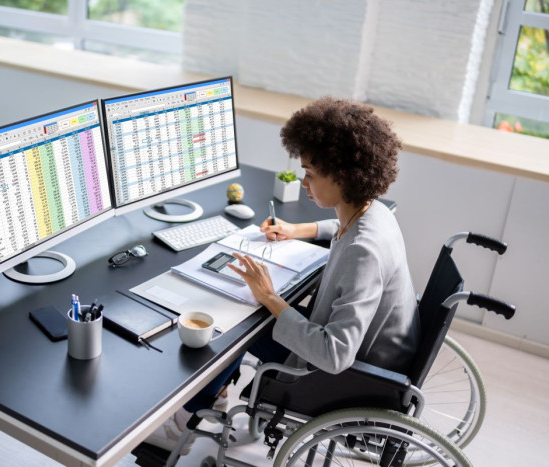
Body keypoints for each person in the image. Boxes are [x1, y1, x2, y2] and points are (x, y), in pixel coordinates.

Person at [146, 96, 421, 454]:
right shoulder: (375, 211)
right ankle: (210, 399)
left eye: (310, 173)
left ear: (342, 176)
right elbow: (344, 228)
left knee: (234, 327)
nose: (304, 182)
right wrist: (299, 229)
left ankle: (185, 419)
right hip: (373, 352)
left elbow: (334, 355)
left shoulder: (362, 254)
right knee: (249, 314)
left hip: (348, 377)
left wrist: (270, 296)